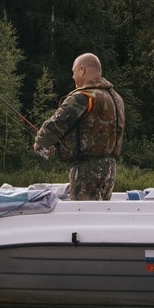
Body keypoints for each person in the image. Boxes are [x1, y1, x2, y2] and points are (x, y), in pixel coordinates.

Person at [34, 53, 125, 201]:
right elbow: (91, 130)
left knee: (83, 217)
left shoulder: (84, 96)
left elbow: (57, 122)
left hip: (86, 169)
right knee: (99, 217)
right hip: (110, 168)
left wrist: (41, 142)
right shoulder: (116, 98)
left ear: (82, 70)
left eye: (74, 71)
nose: (72, 77)